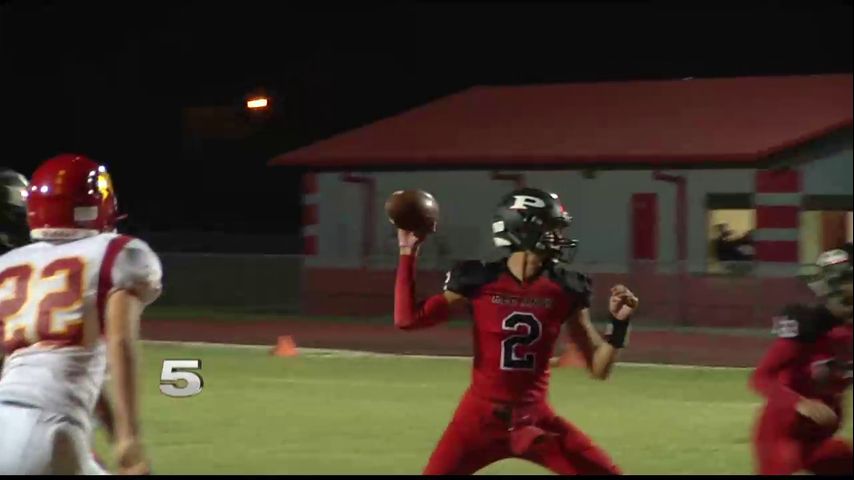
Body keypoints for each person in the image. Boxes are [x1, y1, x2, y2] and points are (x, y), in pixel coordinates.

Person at [394, 187, 639, 475]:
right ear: (523, 230)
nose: (559, 238)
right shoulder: (480, 279)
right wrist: (408, 251)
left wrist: (619, 324)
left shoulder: (565, 287)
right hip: (478, 420)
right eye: (552, 229)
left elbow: (599, 368)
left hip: (534, 420)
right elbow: (407, 319)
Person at [0, 154, 162, 475]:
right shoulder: (119, 252)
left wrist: (114, 433)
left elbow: (67, 358)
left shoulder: (9, 266)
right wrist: (129, 438)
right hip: (49, 427)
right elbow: (119, 341)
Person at [749, 242, 853, 475]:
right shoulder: (808, 326)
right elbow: (761, 377)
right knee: (784, 465)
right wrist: (800, 402)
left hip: (821, 434)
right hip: (784, 431)